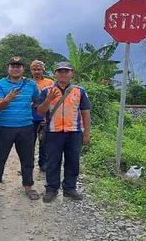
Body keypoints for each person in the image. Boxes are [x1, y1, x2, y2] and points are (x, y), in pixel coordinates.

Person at [36, 62, 91, 202]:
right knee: (52, 161)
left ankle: (70, 188)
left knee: (73, 161)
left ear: (72, 73)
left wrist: (86, 134)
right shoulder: (46, 91)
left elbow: (85, 113)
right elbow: (40, 111)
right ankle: (51, 189)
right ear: (55, 74)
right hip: (53, 132)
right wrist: (48, 99)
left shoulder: (80, 91)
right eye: (60, 71)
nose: (63, 74)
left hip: (74, 131)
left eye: (66, 71)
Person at [0, 56, 40, 202]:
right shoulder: (0, 84)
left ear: (23, 68)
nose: (15, 69)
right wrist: (8, 98)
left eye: (19, 66)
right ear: (8, 68)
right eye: (13, 66)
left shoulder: (31, 84)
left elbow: (37, 101)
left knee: (27, 158)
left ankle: (28, 185)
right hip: (5, 127)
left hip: (26, 127)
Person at [30, 60, 54, 172]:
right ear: (31, 70)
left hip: (45, 116)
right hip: (30, 116)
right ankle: (29, 164)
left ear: (43, 70)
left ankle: (43, 163)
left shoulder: (50, 82)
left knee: (44, 142)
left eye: (39, 69)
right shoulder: (28, 83)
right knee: (30, 142)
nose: (37, 72)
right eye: (34, 69)